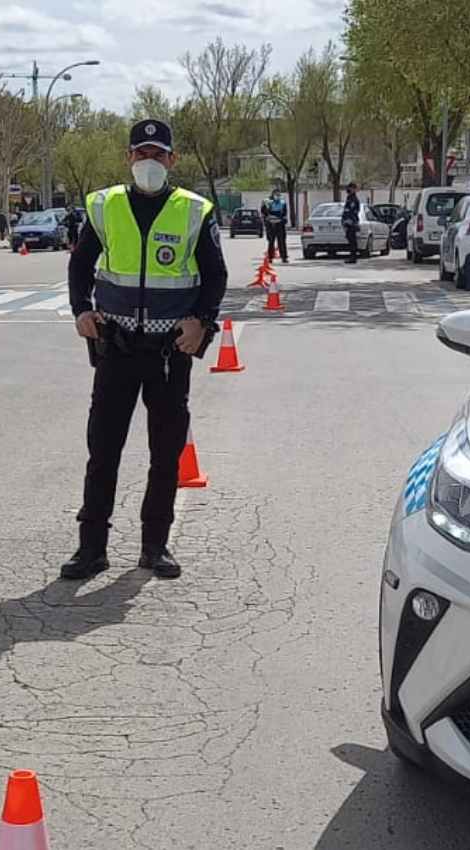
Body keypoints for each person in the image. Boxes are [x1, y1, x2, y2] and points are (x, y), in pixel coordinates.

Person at [64, 118, 228, 581]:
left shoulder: (195, 210)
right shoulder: (104, 206)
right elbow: (80, 266)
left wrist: (204, 323)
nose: (149, 163)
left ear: (172, 161)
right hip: (115, 348)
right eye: (142, 154)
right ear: (128, 159)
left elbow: (214, 276)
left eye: (158, 155)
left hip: (168, 353)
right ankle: (90, 548)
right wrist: (81, 310)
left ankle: (155, 545)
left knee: (165, 451)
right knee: (104, 450)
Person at [260, 189, 289, 263]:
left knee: (282, 242)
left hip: (280, 224)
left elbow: (284, 213)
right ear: (272, 194)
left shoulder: (282, 202)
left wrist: (283, 219)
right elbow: (264, 211)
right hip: (271, 225)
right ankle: (270, 258)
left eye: (278, 194)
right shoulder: (267, 201)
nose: (277, 196)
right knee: (271, 242)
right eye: (276, 194)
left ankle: (284, 257)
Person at [341, 182, 361, 264]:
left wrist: (349, 221)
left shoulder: (353, 199)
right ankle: (352, 256)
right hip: (348, 221)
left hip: (351, 222)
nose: (349, 189)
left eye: (351, 188)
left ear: (354, 189)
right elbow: (346, 211)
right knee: (350, 239)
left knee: (352, 240)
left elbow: (352, 211)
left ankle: (353, 257)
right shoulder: (349, 197)